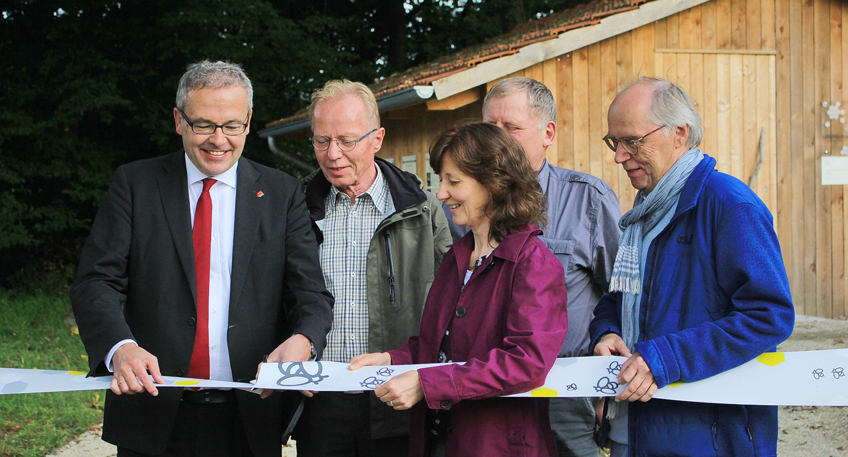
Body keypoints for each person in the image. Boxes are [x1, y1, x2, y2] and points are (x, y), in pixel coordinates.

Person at [70, 60, 334, 457]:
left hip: (250, 418)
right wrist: (120, 347)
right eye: (203, 125)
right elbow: (95, 283)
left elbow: (310, 293)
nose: (219, 139)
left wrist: (304, 340)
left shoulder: (281, 194)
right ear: (178, 120)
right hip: (152, 414)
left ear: (248, 122)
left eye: (231, 125)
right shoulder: (135, 184)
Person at [589, 77, 794, 456]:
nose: (619, 156)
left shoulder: (731, 207)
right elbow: (618, 299)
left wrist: (665, 357)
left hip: (708, 441)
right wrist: (607, 332)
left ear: (679, 134)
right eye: (613, 142)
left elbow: (769, 317)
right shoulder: (642, 214)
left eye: (632, 141)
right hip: (632, 433)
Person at [350, 122, 568, 457]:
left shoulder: (534, 263)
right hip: (439, 438)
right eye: (441, 181)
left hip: (497, 446)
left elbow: (527, 363)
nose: (441, 194)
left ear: (494, 184)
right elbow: (441, 347)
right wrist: (393, 358)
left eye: (454, 182)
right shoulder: (456, 257)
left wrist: (428, 384)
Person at [293, 79, 451, 457]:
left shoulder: (423, 207)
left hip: (397, 395)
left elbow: (452, 301)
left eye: (347, 140)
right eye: (321, 140)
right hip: (319, 400)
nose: (332, 154)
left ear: (377, 138)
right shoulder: (295, 207)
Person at [481, 77, 622, 457]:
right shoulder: (459, 206)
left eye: (511, 128)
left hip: (565, 391)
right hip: (482, 392)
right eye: (489, 128)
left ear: (548, 133)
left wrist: (605, 388)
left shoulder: (589, 201)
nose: (497, 139)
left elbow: (623, 296)